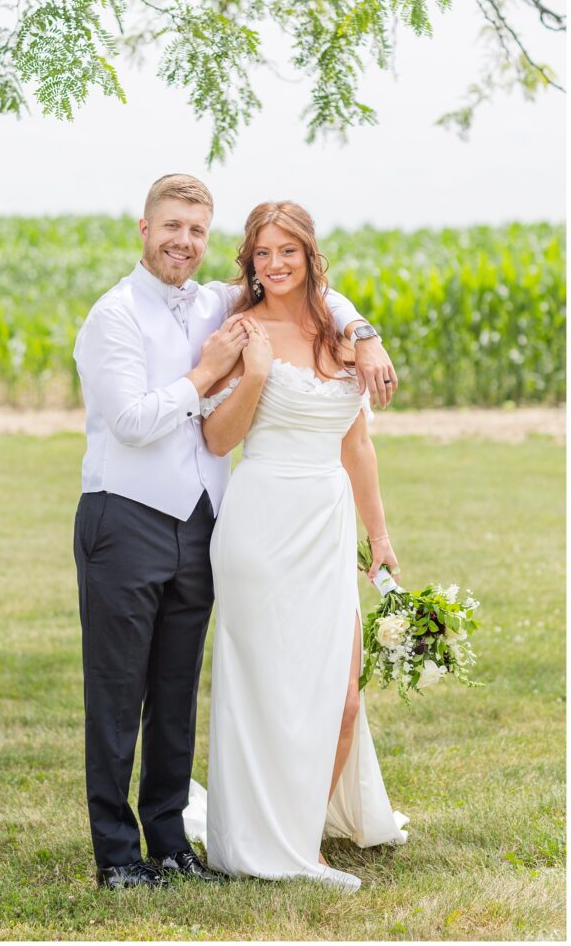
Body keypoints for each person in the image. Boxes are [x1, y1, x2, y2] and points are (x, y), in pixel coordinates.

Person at [73, 175, 398, 889]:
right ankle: (119, 857)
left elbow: (317, 297)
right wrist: (212, 371)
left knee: (177, 688)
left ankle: (172, 842)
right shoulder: (115, 315)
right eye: (171, 227)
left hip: (202, 523)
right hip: (124, 515)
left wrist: (365, 334)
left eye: (196, 230)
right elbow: (130, 423)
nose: (183, 241)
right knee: (117, 690)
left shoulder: (220, 300)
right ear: (144, 229)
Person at [196, 201, 409, 891]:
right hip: (259, 520)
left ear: (309, 254)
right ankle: (289, 851)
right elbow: (217, 441)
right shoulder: (240, 329)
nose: (275, 264)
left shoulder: (344, 333)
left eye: (287, 250)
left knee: (339, 696)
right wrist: (254, 375)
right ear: (249, 261)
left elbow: (358, 444)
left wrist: (379, 538)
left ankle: (303, 826)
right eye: (262, 253)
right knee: (267, 689)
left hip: (326, 521)